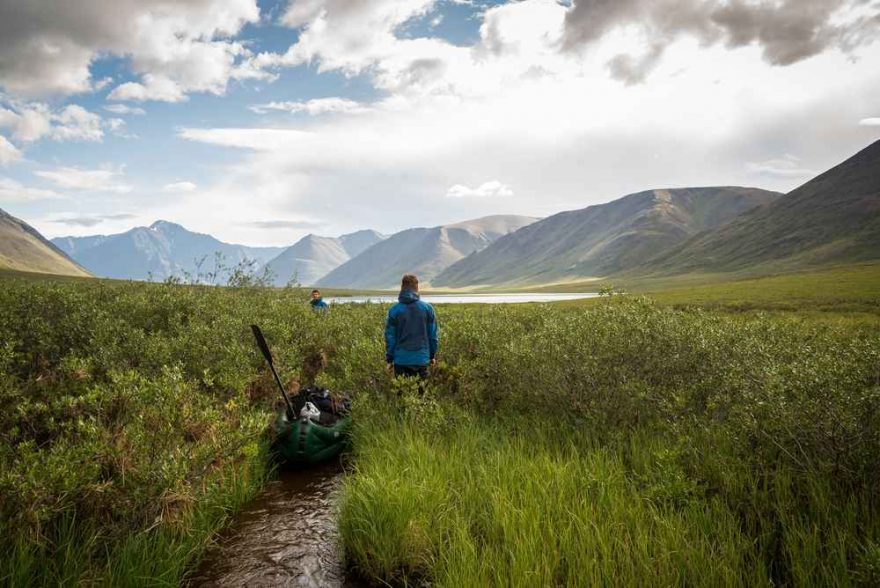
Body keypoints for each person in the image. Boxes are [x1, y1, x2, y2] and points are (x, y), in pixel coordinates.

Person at [385, 274, 438, 380]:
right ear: (417, 288)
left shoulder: (394, 310)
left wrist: (390, 359)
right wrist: (431, 356)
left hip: (401, 360)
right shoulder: (427, 309)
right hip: (421, 359)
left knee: (402, 395)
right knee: (421, 395)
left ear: (402, 287)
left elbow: (390, 337)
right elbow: (433, 336)